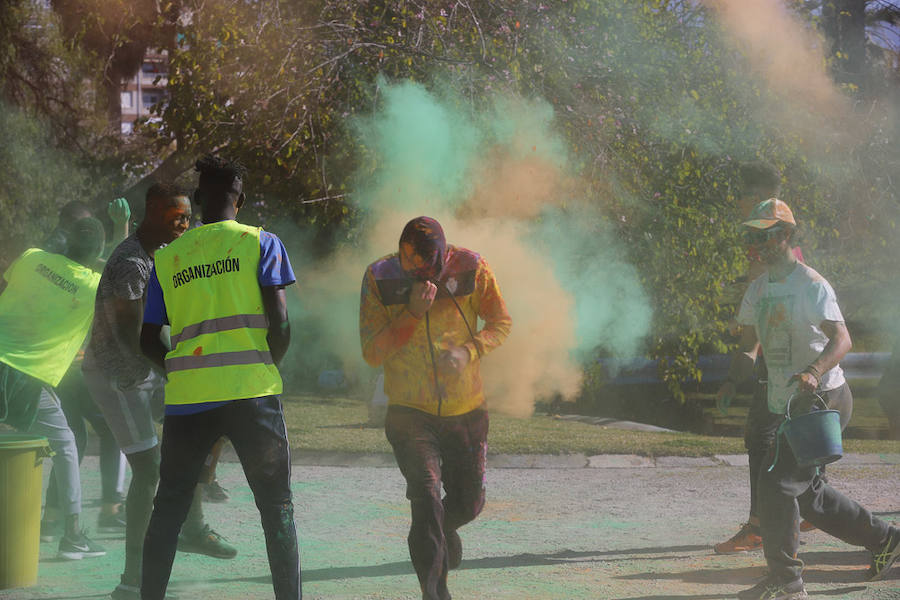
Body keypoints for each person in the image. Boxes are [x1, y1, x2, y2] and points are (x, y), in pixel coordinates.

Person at [717, 199, 900, 600]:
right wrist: (733, 382)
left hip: (823, 398)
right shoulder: (758, 289)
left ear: (783, 236)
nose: (755, 244)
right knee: (809, 497)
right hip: (787, 402)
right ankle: (885, 538)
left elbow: (843, 339)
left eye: (762, 236)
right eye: (751, 237)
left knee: (776, 483)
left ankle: (787, 582)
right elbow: (751, 348)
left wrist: (814, 372)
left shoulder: (812, 285)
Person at [139, 155, 300, 600]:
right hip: (252, 395)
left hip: (190, 399)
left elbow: (148, 339)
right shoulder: (261, 243)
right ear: (240, 200)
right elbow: (281, 326)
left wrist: (178, 369)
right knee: (276, 508)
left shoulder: (168, 258)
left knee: (169, 506)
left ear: (197, 199)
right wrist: (263, 366)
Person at [81, 182, 237, 600]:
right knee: (149, 470)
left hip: (148, 369)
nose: (183, 224)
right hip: (119, 376)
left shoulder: (165, 253)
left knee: (204, 422)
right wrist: (180, 368)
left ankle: (194, 528)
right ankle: (132, 581)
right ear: (151, 211)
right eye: (175, 217)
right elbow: (135, 337)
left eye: (187, 217)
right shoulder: (132, 263)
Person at [359, 216, 512, 600]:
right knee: (426, 498)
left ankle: (442, 533)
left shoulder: (473, 268)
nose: (425, 279)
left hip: (467, 409)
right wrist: (411, 314)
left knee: (469, 503)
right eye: (415, 272)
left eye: (432, 270)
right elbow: (372, 352)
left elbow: (500, 322)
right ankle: (435, 592)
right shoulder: (379, 277)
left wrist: (468, 350)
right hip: (410, 412)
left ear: (444, 256)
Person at [715, 162, 812, 555]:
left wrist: (739, 372)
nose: (737, 202)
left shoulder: (765, 247)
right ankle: (802, 510)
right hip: (786, 361)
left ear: (752, 195)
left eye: (740, 193)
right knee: (784, 441)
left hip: (781, 364)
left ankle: (761, 526)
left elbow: (758, 329)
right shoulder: (779, 239)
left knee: (761, 438)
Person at [0, 217, 107, 560]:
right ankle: (73, 536)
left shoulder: (31, 257)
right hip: (26, 377)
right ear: (98, 252)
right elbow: (127, 273)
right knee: (65, 445)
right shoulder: (95, 286)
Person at [40, 197, 132, 539]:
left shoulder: (46, 266)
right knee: (112, 431)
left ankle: (51, 519)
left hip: (57, 370)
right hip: (80, 371)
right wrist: (121, 228)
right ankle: (109, 509)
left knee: (74, 438)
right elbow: (117, 269)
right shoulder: (88, 278)